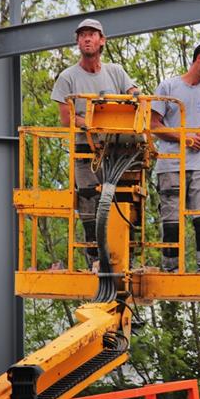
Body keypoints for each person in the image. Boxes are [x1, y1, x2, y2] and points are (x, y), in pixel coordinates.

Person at [51, 18, 138, 267]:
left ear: (102, 40)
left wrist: (133, 97)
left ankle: (124, 257)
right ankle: (95, 259)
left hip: (117, 149)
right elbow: (67, 119)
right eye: (82, 35)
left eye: (92, 34)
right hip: (86, 149)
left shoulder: (115, 71)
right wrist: (91, 124)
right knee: (89, 199)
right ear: (77, 41)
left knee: (122, 199)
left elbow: (134, 94)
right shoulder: (68, 77)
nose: (87, 38)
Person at [151, 41, 200, 273]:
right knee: (171, 216)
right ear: (199, 58)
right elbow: (154, 125)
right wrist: (186, 138)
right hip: (171, 163)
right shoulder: (168, 87)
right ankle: (170, 267)